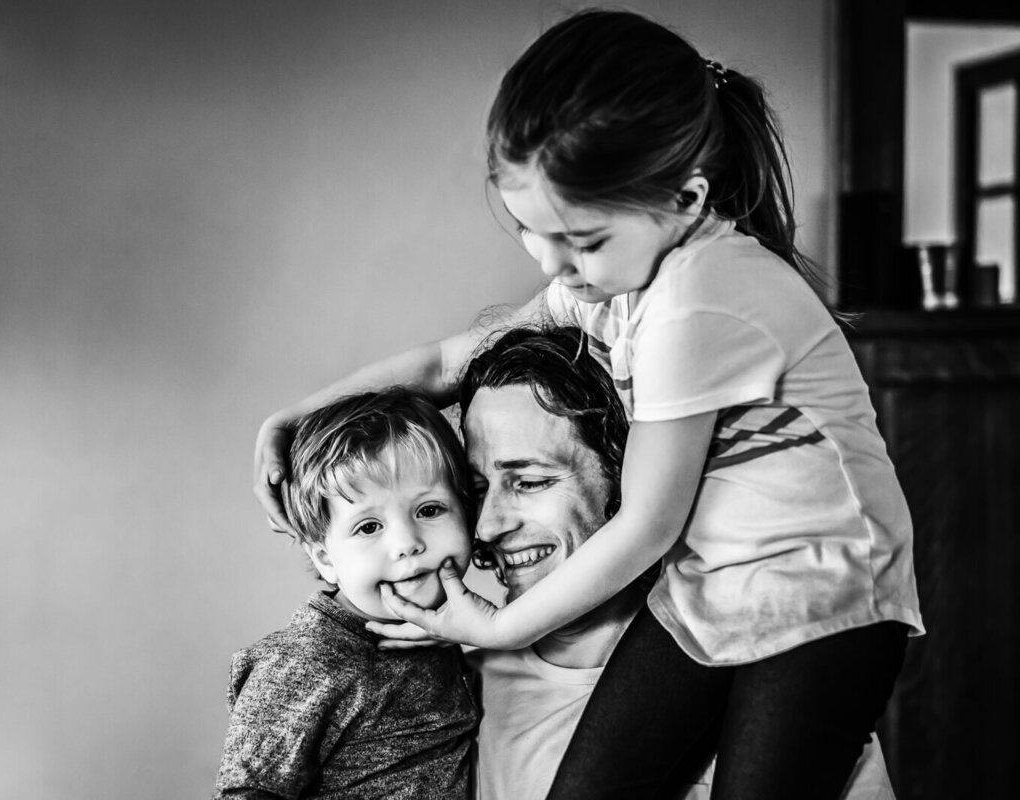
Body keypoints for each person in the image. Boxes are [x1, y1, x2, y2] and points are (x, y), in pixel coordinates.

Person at [253, 9, 923, 798]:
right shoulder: (613, 283)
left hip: (825, 600)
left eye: (582, 239)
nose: (554, 264)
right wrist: (298, 416)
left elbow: (647, 522)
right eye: (534, 232)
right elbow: (445, 361)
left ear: (684, 197)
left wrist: (498, 626)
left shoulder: (700, 297)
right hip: (713, 584)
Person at [457, 326, 894, 800]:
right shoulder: (454, 694)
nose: (488, 526)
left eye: (530, 482)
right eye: (479, 490)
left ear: (631, 478)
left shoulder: (777, 698)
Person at [216, 389, 478, 799]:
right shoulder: (302, 664)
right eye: (369, 527)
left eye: (429, 510)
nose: (407, 543)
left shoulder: (462, 628)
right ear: (325, 559)